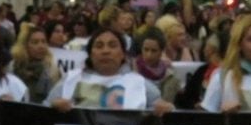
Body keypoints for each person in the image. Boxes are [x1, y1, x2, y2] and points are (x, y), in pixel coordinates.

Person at [45, 28, 173, 114]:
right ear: (90, 54)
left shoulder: (140, 85)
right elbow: (42, 110)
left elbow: (167, 117)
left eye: (112, 45)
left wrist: (167, 111)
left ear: (123, 54)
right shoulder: (70, 80)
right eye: (99, 46)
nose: (105, 51)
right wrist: (53, 108)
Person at [9, 23, 60, 103]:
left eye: (44, 42)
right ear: (24, 46)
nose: (41, 46)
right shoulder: (12, 67)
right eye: (35, 42)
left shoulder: (52, 70)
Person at [133, 27, 180, 102]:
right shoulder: (131, 70)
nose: (149, 55)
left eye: (154, 51)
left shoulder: (170, 77)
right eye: (146, 49)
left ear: (161, 52)